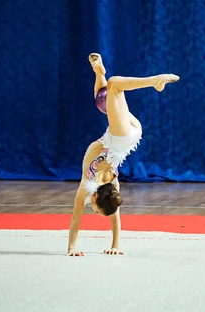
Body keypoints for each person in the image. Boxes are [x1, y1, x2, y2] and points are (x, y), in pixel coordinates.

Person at [67, 53, 179, 256]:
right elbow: (104, 216)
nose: (91, 210)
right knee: (114, 84)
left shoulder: (91, 186)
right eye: (95, 210)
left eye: (94, 210)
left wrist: (113, 246)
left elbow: (79, 217)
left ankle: (98, 71)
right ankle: (155, 81)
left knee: (103, 100)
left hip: (123, 135)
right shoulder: (104, 186)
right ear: (94, 198)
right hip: (121, 138)